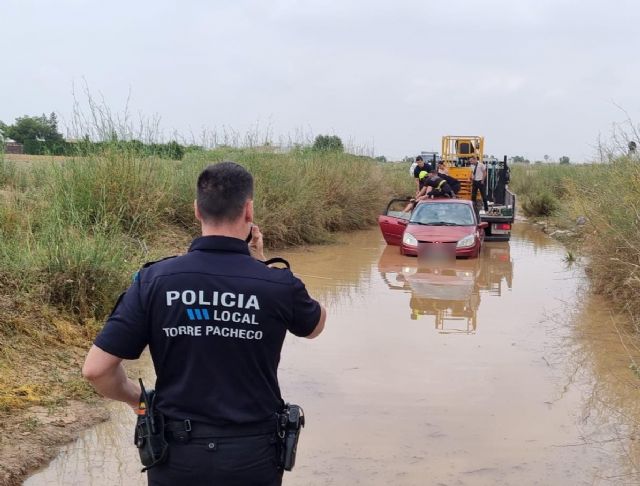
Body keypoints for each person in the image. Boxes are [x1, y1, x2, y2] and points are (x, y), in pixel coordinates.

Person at [82, 161, 327, 486]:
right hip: (252, 458)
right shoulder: (278, 284)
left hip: (176, 457)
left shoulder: (154, 281)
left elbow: (96, 370)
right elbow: (316, 324)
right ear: (249, 211)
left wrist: (137, 401)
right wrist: (259, 264)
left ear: (197, 210)